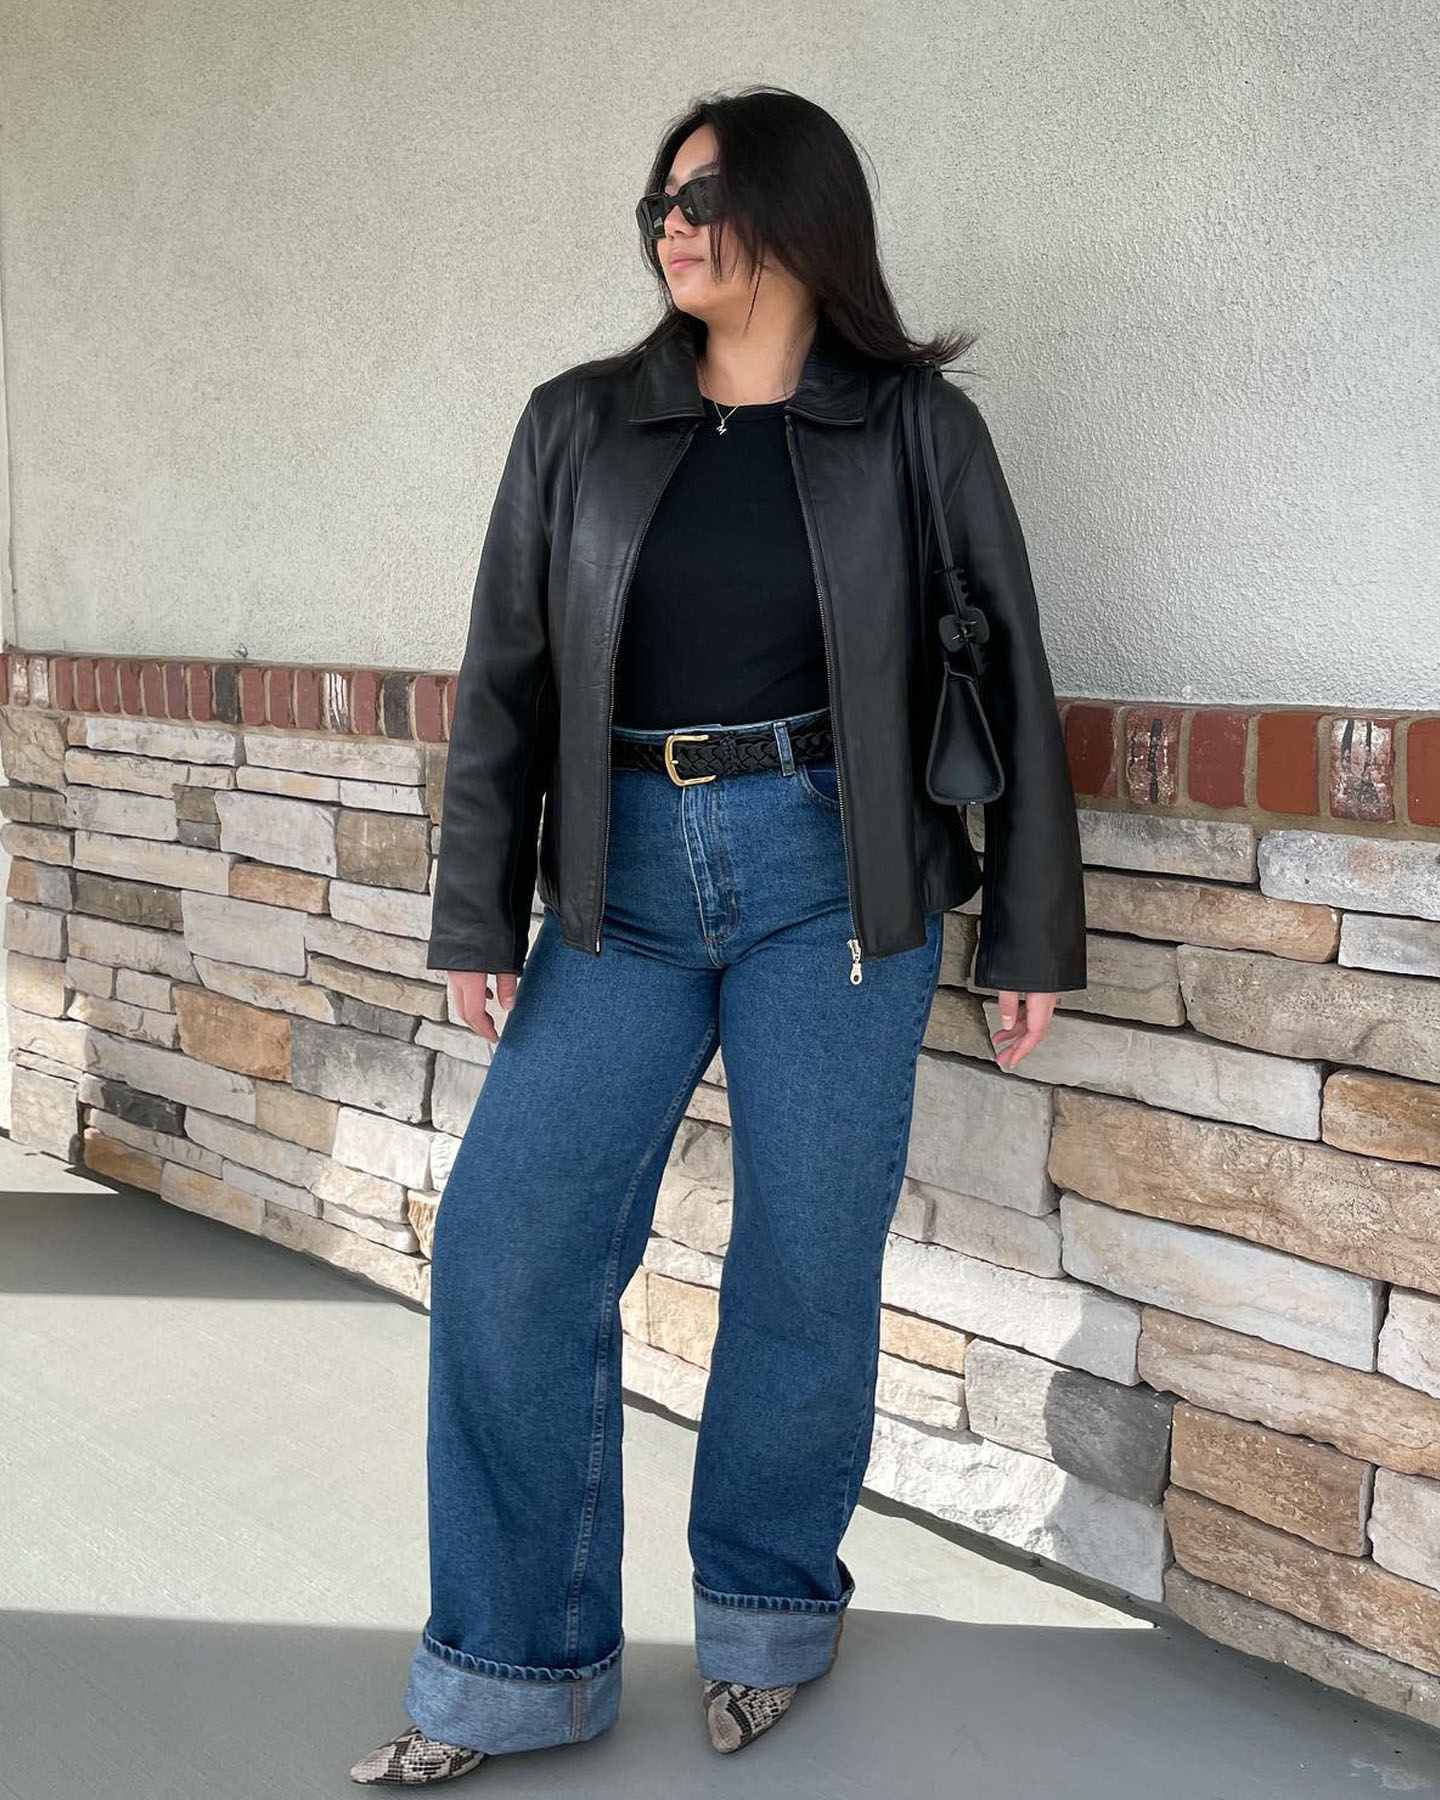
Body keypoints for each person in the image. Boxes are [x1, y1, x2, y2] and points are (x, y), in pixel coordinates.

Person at [350, 83, 1085, 1787]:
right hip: (623, 886)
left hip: (842, 880)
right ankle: (513, 1667)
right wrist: (479, 903)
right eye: (659, 206)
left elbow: (1015, 675)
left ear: (802, 217)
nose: (672, 226)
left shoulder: (915, 427)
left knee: (802, 1266)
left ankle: (766, 1611)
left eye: (707, 197)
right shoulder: (577, 425)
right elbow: (505, 685)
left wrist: (1030, 928)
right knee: (509, 1253)